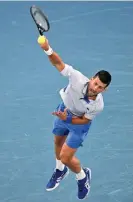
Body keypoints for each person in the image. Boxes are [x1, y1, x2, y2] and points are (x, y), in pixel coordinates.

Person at [37, 35, 112, 200]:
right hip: (64, 110)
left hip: (78, 124)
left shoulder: (98, 105)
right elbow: (59, 64)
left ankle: (82, 177)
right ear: (92, 78)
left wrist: (67, 119)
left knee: (66, 156)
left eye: (100, 87)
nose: (95, 88)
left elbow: (85, 120)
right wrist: (47, 49)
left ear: (104, 90)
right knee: (57, 142)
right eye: (95, 83)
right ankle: (60, 170)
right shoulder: (77, 78)